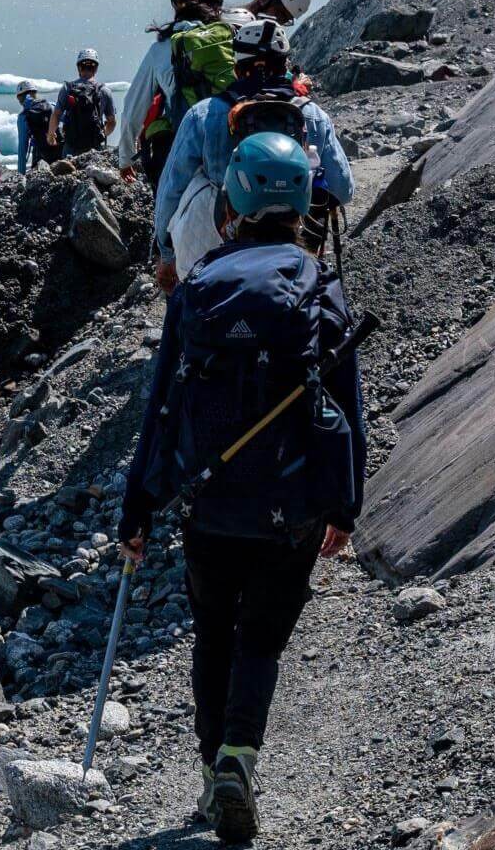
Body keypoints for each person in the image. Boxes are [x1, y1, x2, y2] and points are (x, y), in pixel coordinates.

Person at [119, 132, 367, 844]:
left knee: (212, 639)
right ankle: (239, 758)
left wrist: (139, 506)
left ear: (233, 202)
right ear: (303, 205)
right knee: (260, 641)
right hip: (291, 509)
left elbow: (162, 403)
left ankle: (209, 778)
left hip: (210, 501)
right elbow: (347, 407)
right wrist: (343, 506)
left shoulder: (199, 286)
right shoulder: (322, 287)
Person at [151, 18, 354, 291]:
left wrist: (166, 254)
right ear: (285, 64)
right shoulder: (312, 116)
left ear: (236, 68)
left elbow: (171, 190)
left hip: (219, 242)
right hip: (294, 242)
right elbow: (343, 189)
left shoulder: (203, 115)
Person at [115, 0, 228, 188]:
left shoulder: (161, 49)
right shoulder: (231, 39)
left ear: (176, 4)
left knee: (166, 219)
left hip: (183, 147)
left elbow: (132, 108)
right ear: (217, 5)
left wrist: (126, 157)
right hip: (229, 143)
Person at [47, 49, 115, 157]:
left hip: (71, 146)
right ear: (96, 68)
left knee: (68, 173)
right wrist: (102, 134)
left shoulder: (67, 88)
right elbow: (111, 122)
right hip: (94, 147)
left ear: (79, 67)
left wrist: (51, 135)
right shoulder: (104, 90)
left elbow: (56, 115)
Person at [15, 81, 60, 171]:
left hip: (40, 154)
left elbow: (22, 148)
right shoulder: (51, 106)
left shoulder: (23, 116)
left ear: (20, 97)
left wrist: (20, 174)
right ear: (35, 93)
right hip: (59, 149)